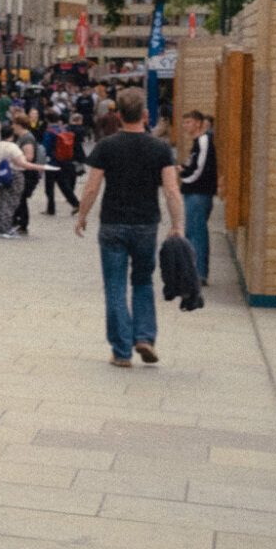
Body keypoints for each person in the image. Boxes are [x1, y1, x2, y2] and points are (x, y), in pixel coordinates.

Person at [74, 89, 187, 367]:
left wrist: (82, 215)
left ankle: (121, 351)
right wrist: (178, 225)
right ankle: (145, 337)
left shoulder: (107, 146)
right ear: (145, 115)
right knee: (143, 281)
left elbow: (92, 187)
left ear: (119, 116)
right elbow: (172, 191)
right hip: (146, 223)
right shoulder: (160, 148)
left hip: (113, 223)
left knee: (114, 286)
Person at [177, 110, 217, 279]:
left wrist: (184, 177)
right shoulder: (197, 143)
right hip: (193, 192)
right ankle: (193, 269)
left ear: (198, 123)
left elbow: (199, 169)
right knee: (192, 232)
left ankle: (199, 272)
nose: (185, 126)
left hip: (199, 193)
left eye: (189, 122)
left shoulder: (203, 141)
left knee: (197, 233)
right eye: (184, 122)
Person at [0, 130, 48, 238]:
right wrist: (40, 167)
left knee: (2, 202)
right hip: (13, 176)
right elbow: (22, 163)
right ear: (12, 136)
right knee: (11, 203)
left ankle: (0, 228)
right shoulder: (12, 147)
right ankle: (7, 229)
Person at [40, 111, 82, 216]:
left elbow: (45, 148)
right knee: (64, 185)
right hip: (63, 160)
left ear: (47, 120)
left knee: (49, 187)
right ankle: (76, 203)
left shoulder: (49, 132)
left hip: (52, 162)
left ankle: (51, 209)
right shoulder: (63, 129)